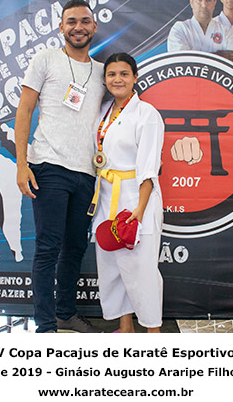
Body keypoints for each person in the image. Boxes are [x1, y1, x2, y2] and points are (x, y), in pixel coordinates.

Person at [15, 0, 105, 333]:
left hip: (87, 174)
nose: (78, 27)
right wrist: (21, 164)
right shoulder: (45, 59)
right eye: (71, 22)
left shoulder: (103, 72)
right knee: (48, 248)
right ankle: (45, 326)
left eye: (84, 21)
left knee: (75, 248)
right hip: (48, 166)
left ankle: (66, 312)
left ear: (94, 27)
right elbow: (24, 111)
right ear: (61, 27)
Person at [88, 53, 164, 333]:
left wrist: (140, 209)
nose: (117, 79)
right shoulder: (102, 112)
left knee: (141, 270)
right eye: (111, 74)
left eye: (124, 74)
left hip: (135, 197)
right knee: (112, 267)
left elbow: (149, 168)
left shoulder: (147, 114)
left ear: (135, 77)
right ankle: (125, 327)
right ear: (105, 79)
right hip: (106, 196)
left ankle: (153, 331)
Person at [167, 0, 233, 63]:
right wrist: (219, 56)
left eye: (208, 0)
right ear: (191, 2)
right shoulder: (180, 29)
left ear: (214, 3)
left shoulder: (225, 31)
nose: (204, 5)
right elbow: (181, 61)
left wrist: (196, 57)